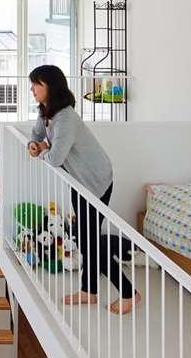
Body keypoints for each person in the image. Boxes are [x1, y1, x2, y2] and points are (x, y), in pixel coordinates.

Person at [27, 65, 140, 314]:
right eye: (33, 83)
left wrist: (43, 151)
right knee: (85, 237)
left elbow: (55, 158)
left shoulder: (66, 118)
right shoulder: (46, 112)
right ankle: (89, 291)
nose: (33, 89)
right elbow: (36, 135)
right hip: (78, 181)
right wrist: (34, 145)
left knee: (89, 243)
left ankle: (129, 293)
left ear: (51, 87)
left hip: (97, 181)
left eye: (37, 84)